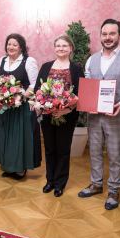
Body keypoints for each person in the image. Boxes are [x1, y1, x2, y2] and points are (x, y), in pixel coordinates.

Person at [78, 19, 120, 210]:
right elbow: (89, 83)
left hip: (116, 114)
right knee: (95, 151)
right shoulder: (91, 59)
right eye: (104, 34)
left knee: (115, 154)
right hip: (94, 115)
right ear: (100, 36)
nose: (108, 37)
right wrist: (88, 102)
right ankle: (96, 184)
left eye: (112, 34)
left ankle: (114, 190)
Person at [35, 35, 84, 197]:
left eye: (64, 46)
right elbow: (38, 89)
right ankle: (50, 180)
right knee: (49, 149)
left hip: (67, 116)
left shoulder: (76, 68)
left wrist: (66, 110)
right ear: (54, 48)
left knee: (63, 150)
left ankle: (60, 183)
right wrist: (43, 105)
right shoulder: (46, 66)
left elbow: (80, 94)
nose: (61, 48)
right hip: (47, 115)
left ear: (71, 48)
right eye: (58, 46)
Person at [0, 33, 41, 180]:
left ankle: (20, 168)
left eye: (15, 44)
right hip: (6, 107)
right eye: (9, 44)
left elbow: (34, 84)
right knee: (7, 136)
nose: (11, 47)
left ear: (21, 47)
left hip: (22, 107)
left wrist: (20, 97)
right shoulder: (2, 60)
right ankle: (8, 166)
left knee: (20, 138)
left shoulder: (29, 61)